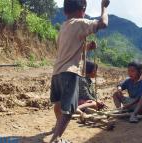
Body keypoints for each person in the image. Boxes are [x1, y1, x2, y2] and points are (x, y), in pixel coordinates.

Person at [49, 0, 110, 142]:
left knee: (58, 105)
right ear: (83, 9)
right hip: (70, 72)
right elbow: (103, 23)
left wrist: (87, 48)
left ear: (65, 11)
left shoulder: (63, 27)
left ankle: (57, 128)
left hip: (56, 72)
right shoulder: (80, 23)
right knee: (69, 110)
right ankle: (56, 138)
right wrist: (104, 8)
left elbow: (70, 49)